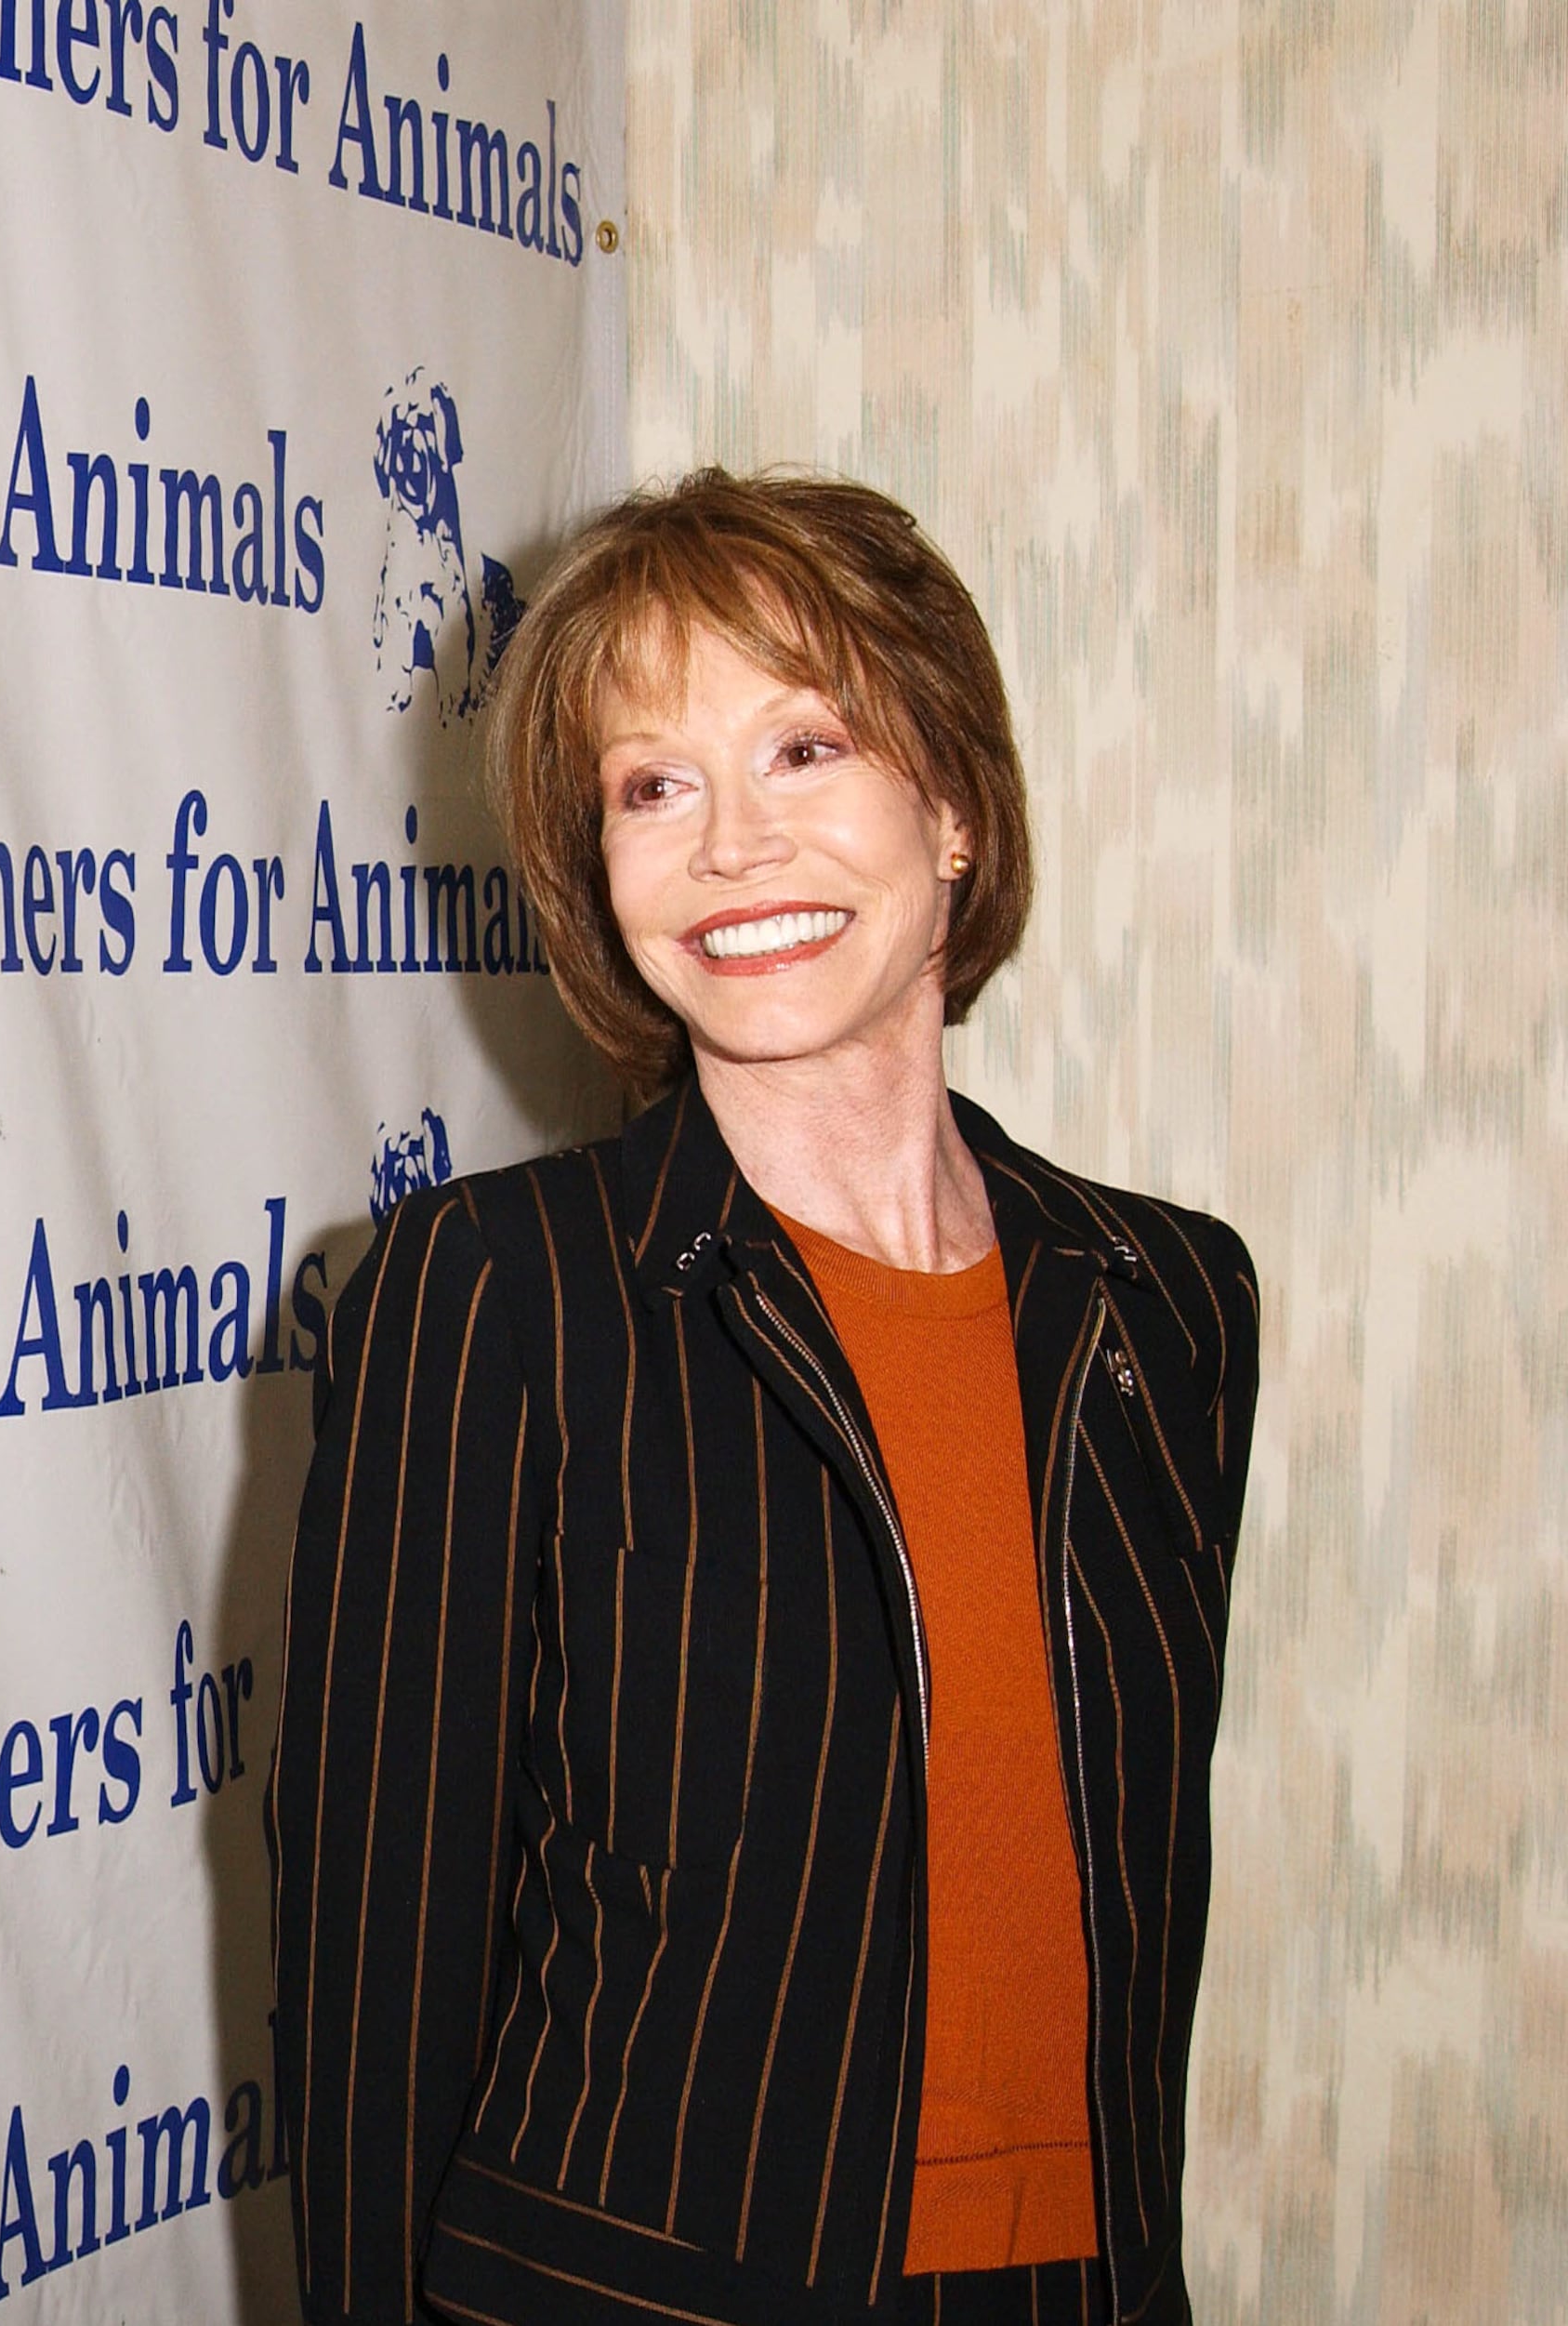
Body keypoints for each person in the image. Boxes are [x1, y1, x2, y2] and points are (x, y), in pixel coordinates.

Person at [267, 470, 1258, 2326]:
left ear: (953, 809)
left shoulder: (1166, 1300)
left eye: (804, 748)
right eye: (653, 786)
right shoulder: (496, 1295)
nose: (730, 844)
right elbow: (378, 1960)